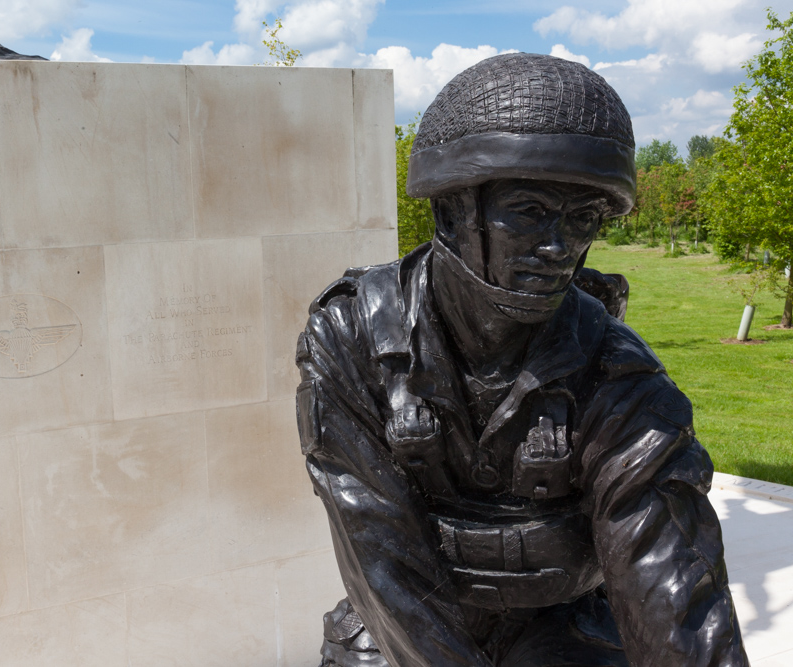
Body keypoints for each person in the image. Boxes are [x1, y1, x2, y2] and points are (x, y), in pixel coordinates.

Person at [295, 53, 748, 667]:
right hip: (404, 626)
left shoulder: (616, 371)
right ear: (453, 213)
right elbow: (381, 554)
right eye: (530, 212)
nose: (561, 247)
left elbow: (668, 578)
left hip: (563, 627)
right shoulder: (349, 334)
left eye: (583, 218)